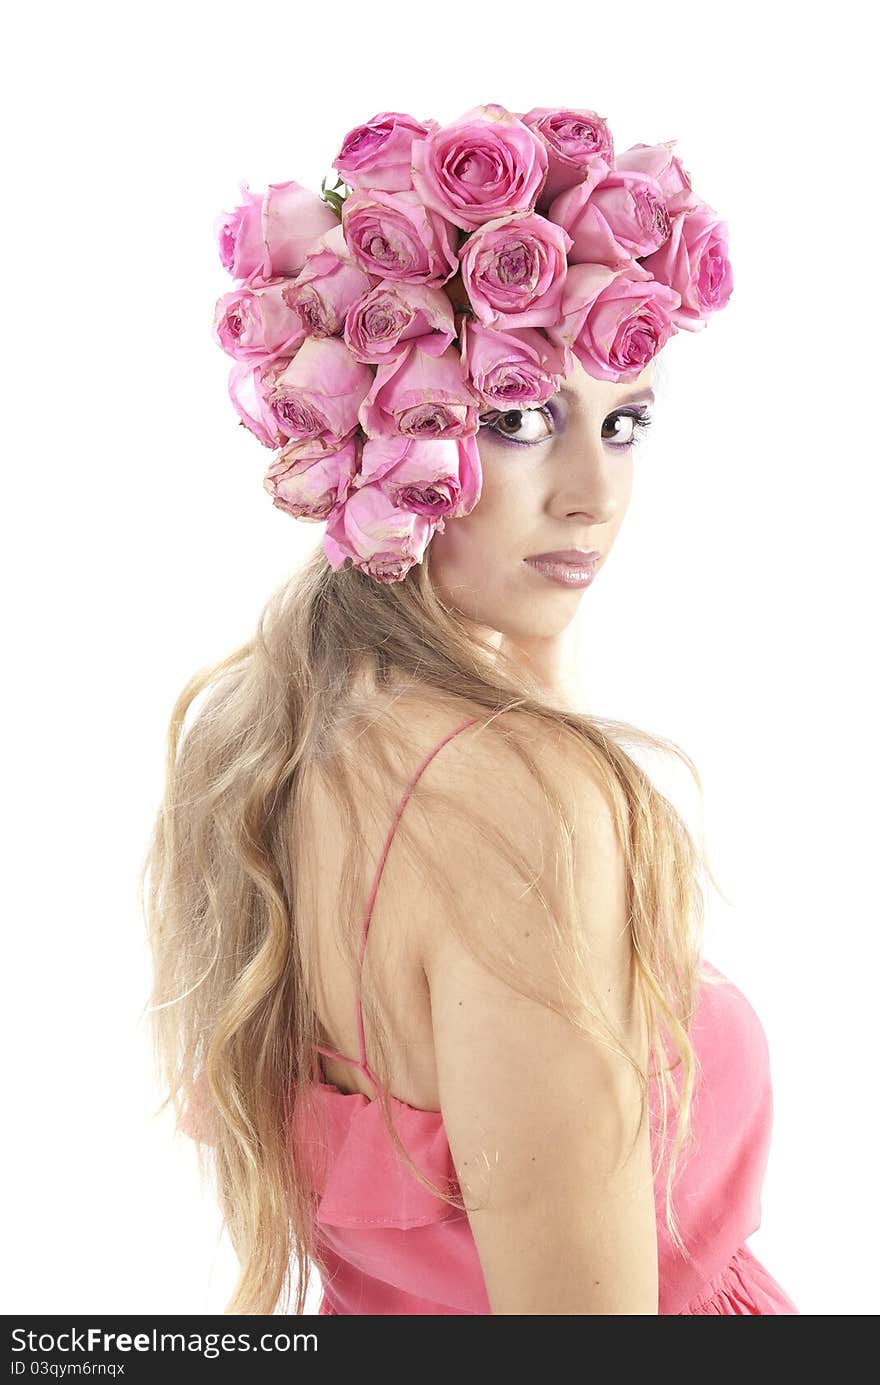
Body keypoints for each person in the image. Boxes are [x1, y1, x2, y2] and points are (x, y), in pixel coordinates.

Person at [141, 103, 800, 1315]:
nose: (593, 493)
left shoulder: (272, 735)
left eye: (626, 420)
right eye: (517, 418)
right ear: (375, 429)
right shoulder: (518, 802)